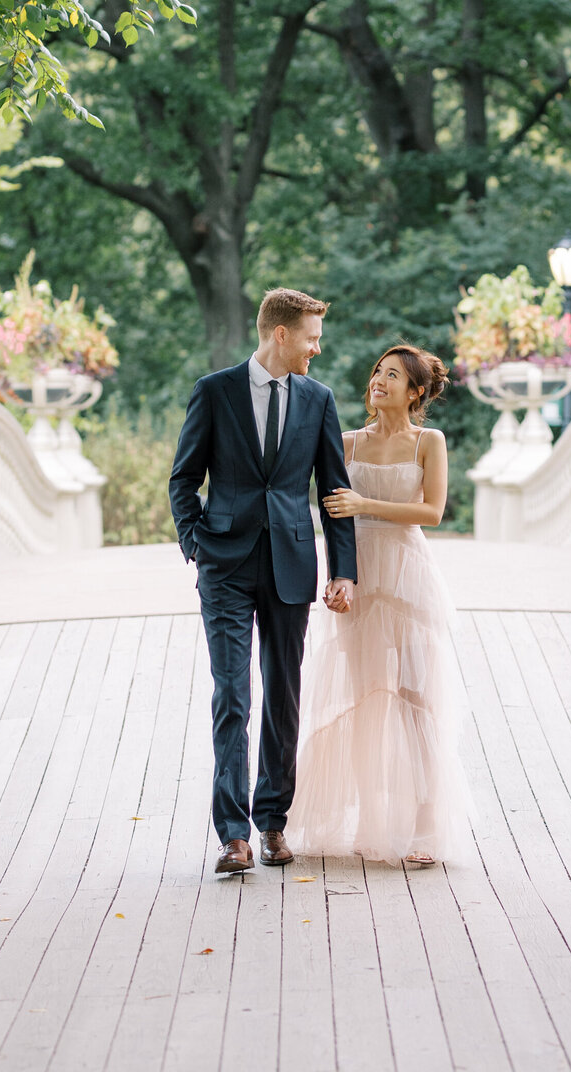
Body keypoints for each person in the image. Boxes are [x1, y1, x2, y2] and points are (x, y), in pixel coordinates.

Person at [169, 287, 358, 877]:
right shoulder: (215, 391)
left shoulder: (317, 399)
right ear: (281, 333)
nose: (316, 349)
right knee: (233, 696)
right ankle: (233, 836)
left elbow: (333, 494)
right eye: (311, 337)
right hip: (223, 567)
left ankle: (272, 821)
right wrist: (196, 543)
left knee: (282, 697)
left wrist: (343, 571)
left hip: (290, 565)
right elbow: (183, 480)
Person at [289, 343, 473, 867]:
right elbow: (322, 507)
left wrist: (365, 504)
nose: (379, 380)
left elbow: (432, 512)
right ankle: (371, 821)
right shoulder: (344, 443)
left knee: (416, 697)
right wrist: (335, 575)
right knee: (369, 696)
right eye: (377, 371)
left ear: (416, 391)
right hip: (360, 577)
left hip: (409, 575)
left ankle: (425, 824)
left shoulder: (428, 442)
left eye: (393, 375)